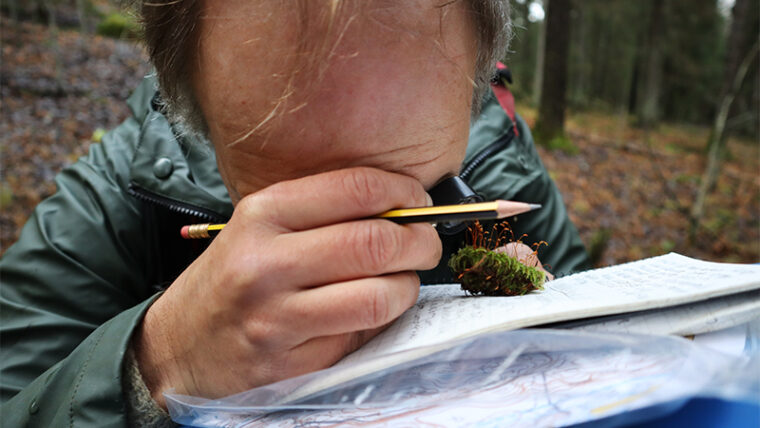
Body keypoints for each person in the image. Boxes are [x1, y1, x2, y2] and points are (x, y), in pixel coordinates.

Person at [0, 0, 589, 425]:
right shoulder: (122, 190)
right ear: (194, 112)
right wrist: (156, 365)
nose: (354, 243)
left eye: (411, 200)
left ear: (474, 88)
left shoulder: (506, 172)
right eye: (297, 201)